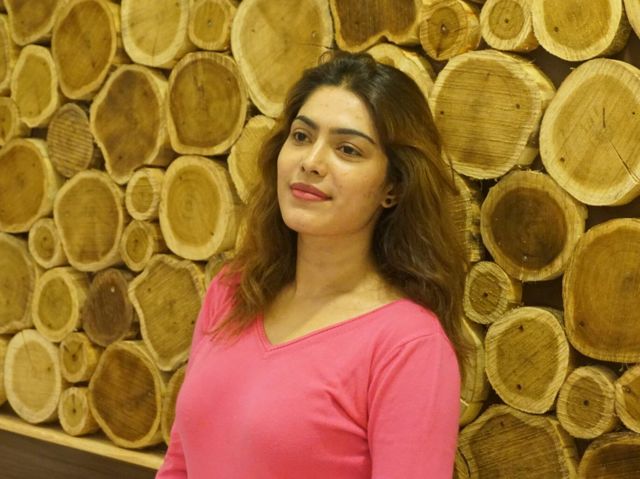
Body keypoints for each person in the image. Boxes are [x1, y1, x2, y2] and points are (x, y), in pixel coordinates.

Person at [156, 50, 468, 479]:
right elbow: (178, 465)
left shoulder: (409, 346)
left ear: (392, 187)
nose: (311, 162)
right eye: (302, 136)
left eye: (347, 149)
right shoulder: (232, 292)